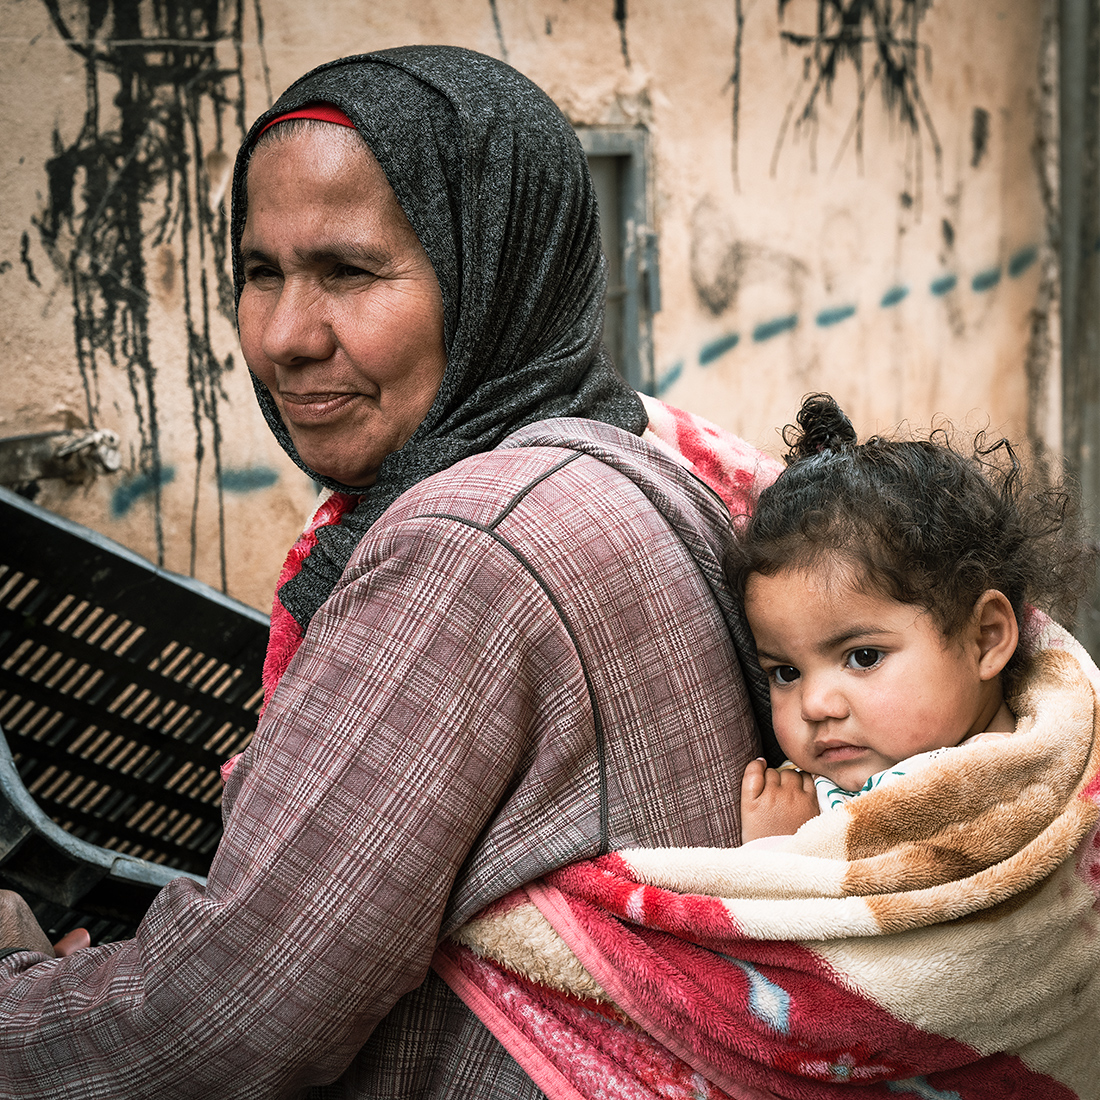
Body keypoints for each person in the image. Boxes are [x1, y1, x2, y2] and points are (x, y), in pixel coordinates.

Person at [0, 47, 774, 1098]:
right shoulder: (624, 453)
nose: (283, 337)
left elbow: (226, 1023)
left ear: (496, 270)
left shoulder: (469, 540)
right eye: (260, 272)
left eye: (349, 272)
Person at [734, 392, 1094, 843]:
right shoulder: (814, 787)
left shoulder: (1000, 789)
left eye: (863, 657)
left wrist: (780, 854)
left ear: (984, 638)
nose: (815, 705)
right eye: (786, 672)